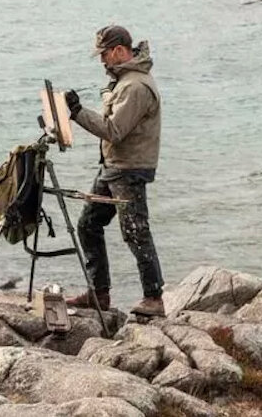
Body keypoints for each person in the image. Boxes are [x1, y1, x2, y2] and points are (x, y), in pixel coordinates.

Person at [62, 24, 165, 317]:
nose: (102, 61)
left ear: (119, 50)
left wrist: (77, 112)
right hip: (114, 167)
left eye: (104, 54)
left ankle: (154, 298)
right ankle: (99, 293)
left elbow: (114, 130)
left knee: (135, 232)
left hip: (129, 169)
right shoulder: (126, 81)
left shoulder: (135, 86)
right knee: (88, 224)